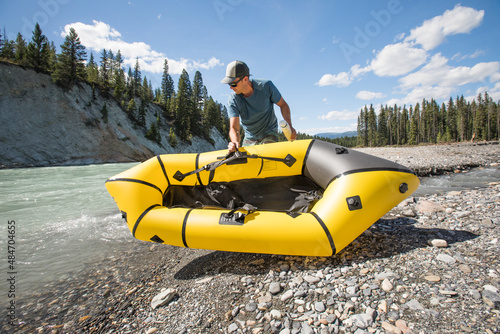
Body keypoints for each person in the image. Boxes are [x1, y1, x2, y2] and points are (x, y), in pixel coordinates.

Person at [221, 60, 297, 153]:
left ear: (245, 79)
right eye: (229, 84)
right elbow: (234, 128)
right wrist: (235, 142)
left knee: (266, 152)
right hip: (250, 137)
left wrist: (289, 126)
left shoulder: (266, 86)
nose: (231, 87)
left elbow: (283, 105)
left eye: (233, 83)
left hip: (269, 132)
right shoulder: (233, 100)